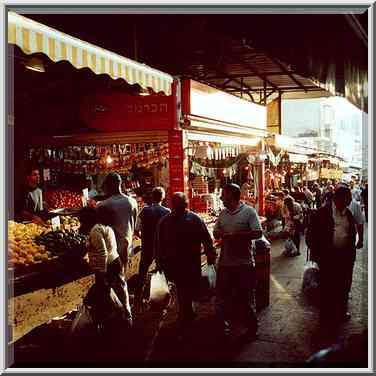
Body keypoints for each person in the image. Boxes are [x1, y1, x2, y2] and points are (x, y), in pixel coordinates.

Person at [155, 192, 216, 332]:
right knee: (183, 287)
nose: (177, 208)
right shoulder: (166, 221)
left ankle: (186, 311)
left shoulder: (192, 219)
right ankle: (186, 311)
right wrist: (159, 260)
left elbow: (206, 239)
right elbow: (159, 244)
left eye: (179, 205)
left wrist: (210, 253)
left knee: (185, 287)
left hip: (188, 261)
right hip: (175, 262)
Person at [213, 183, 262, 340]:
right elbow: (215, 232)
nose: (221, 197)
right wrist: (218, 233)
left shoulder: (249, 212)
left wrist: (238, 236)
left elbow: (258, 232)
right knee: (221, 299)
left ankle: (252, 329)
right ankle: (223, 329)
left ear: (232, 196)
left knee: (246, 299)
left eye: (223, 194)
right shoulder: (223, 214)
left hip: (244, 264)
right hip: (225, 264)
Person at [306, 185, 358, 323]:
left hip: (345, 258)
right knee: (328, 287)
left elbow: (352, 234)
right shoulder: (322, 213)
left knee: (343, 286)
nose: (348, 203)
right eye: (346, 200)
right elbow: (310, 236)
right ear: (337, 198)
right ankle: (326, 315)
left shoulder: (348, 214)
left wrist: (351, 252)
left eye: (349, 201)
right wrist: (319, 255)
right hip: (328, 258)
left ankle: (340, 311)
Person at [78, 206, 132, 326]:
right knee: (119, 289)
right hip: (114, 262)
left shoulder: (95, 230)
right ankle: (123, 316)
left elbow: (103, 253)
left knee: (109, 293)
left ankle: (121, 317)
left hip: (108, 265)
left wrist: (102, 272)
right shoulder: (104, 227)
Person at [96, 172, 138, 323]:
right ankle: (121, 312)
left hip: (111, 250)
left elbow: (99, 227)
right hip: (127, 246)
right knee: (121, 279)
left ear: (108, 186)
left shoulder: (103, 205)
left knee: (115, 282)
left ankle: (125, 314)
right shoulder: (132, 202)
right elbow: (135, 225)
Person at [134, 187, 170, 310]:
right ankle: (162, 298)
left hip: (147, 246)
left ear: (152, 197)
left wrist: (144, 237)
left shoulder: (144, 211)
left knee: (142, 272)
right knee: (163, 272)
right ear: (162, 197)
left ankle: (138, 299)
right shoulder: (167, 211)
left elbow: (137, 229)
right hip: (162, 248)